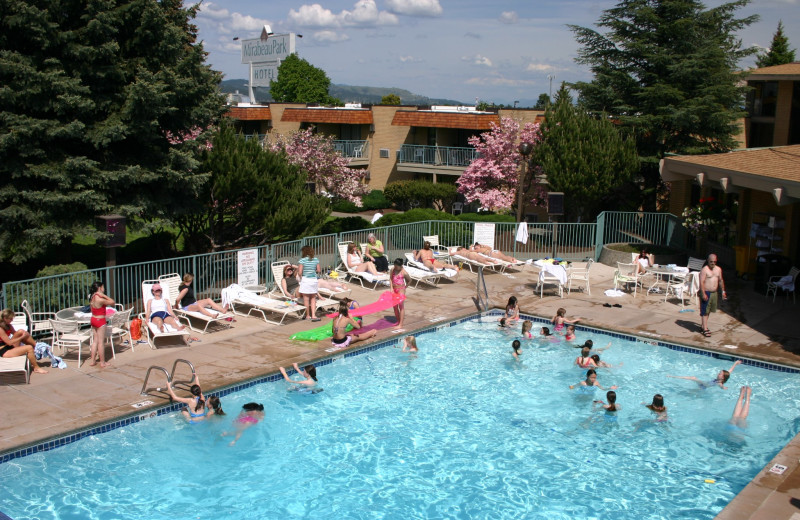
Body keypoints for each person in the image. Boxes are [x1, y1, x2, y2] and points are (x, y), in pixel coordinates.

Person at [0, 309, 48, 374]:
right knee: (29, 348)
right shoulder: (0, 329)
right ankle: (36, 368)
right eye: (10, 319)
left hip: (8, 346)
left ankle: (37, 346)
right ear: (5, 318)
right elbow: (9, 342)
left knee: (21, 331)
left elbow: (16, 334)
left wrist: (23, 335)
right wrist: (22, 337)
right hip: (4, 351)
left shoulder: (8, 325)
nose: (12, 320)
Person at [698, 254, 727, 338]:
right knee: (705, 311)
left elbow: (721, 280)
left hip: (714, 293)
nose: (713, 263)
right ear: (708, 260)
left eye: (714, 261)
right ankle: (705, 329)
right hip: (706, 292)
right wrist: (703, 293)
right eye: (711, 261)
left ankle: (703, 325)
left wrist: (723, 291)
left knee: (709, 310)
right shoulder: (704, 270)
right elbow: (701, 282)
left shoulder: (718, 269)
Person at [89, 281, 116, 368]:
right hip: (100, 320)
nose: (104, 289)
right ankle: (102, 362)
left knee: (95, 341)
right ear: (100, 288)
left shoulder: (92, 297)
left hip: (93, 319)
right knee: (101, 342)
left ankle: (92, 360)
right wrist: (103, 295)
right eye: (103, 287)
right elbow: (112, 302)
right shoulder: (99, 299)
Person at [667, 360, 741, 390]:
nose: (718, 374)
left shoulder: (719, 382)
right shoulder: (722, 378)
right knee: (693, 379)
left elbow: (720, 386)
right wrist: (735, 363)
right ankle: (673, 376)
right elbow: (729, 371)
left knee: (693, 378)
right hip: (704, 385)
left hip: (704, 386)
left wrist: (723, 387)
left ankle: (672, 376)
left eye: (720, 374)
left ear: (723, 377)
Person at [298, 246, 322, 321]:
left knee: (306, 299)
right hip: (313, 280)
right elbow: (318, 270)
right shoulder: (316, 259)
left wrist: (301, 277)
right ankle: (314, 315)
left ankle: (308, 315)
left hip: (306, 280)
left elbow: (300, 272)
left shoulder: (302, 260)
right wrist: (312, 270)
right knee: (313, 298)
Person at [389, 258, 410, 328]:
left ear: (400, 266)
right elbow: (391, 279)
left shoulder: (404, 272)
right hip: (394, 289)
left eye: (396, 266)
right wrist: (391, 288)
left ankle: (400, 324)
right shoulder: (392, 269)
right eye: (394, 265)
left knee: (401, 306)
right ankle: (398, 321)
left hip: (401, 290)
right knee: (395, 306)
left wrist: (405, 287)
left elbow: (410, 280)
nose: (395, 267)